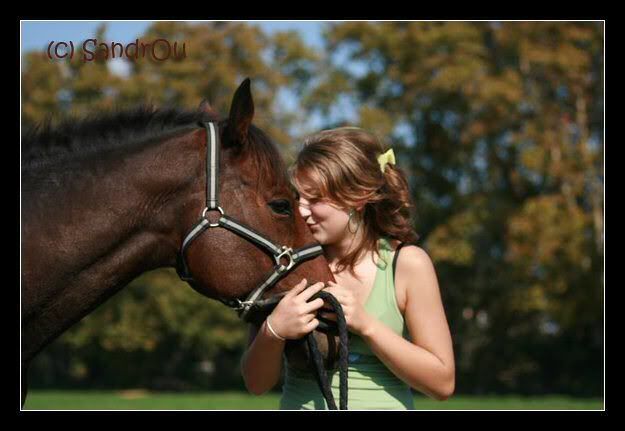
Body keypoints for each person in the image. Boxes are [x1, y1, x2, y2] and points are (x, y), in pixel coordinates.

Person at [240, 127, 455, 410]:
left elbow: (442, 383)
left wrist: (367, 325)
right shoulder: (284, 263)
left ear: (358, 198)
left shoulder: (407, 264)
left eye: (315, 199)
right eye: (298, 198)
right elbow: (256, 385)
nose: (302, 211)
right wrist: (274, 330)